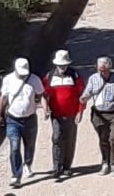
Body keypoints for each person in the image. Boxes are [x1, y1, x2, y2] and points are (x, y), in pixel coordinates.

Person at [78, 56, 114, 176]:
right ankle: (105, 162)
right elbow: (87, 94)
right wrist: (83, 100)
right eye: (99, 70)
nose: (102, 72)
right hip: (99, 114)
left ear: (109, 68)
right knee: (103, 139)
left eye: (104, 70)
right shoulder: (93, 79)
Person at [0, 57, 45, 188]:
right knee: (14, 147)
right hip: (13, 119)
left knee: (29, 145)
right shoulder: (8, 80)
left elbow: (41, 93)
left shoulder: (34, 79)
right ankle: (16, 175)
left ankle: (27, 164)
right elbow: (3, 97)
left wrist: (38, 104)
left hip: (30, 119)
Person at [43, 49, 85, 181]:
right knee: (56, 138)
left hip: (72, 114)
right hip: (56, 114)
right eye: (60, 65)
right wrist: (45, 109)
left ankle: (67, 167)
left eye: (64, 65)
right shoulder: (49, 76)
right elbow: (44, 95)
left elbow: (82, 95)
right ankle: (57, 167)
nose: (62, 67)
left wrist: (80, 111)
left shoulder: (75, 76)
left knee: (69, 140)